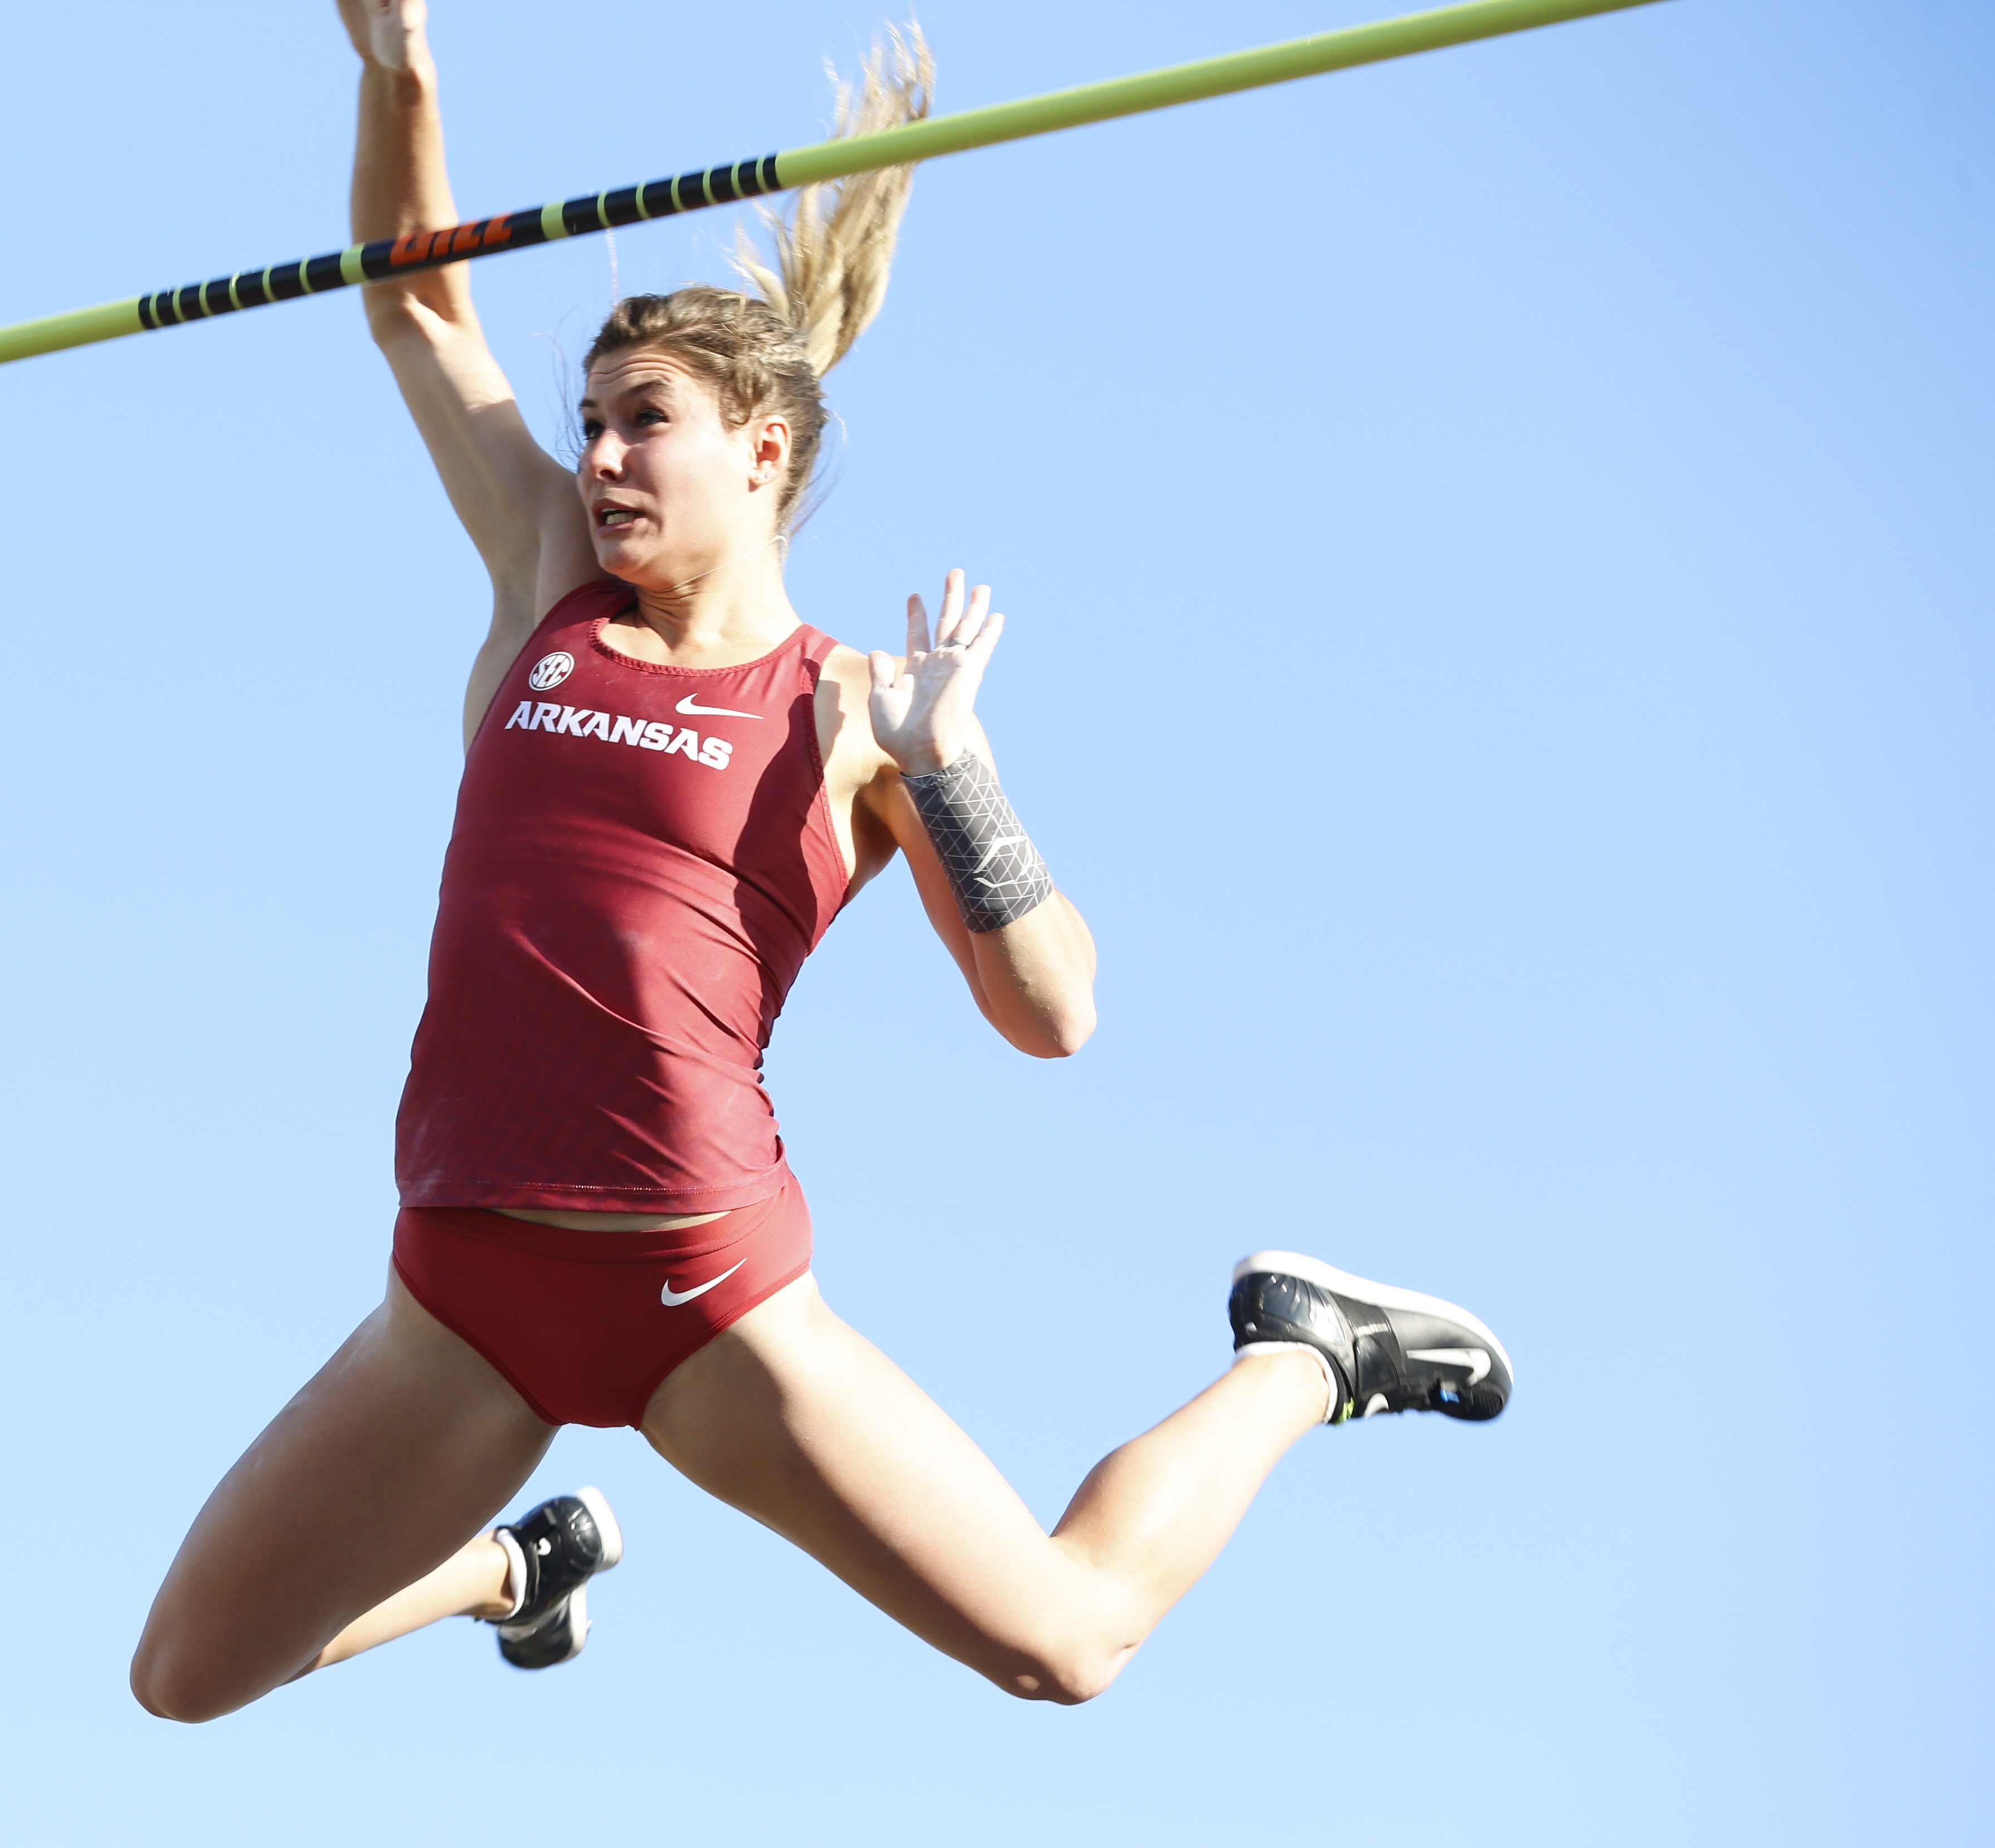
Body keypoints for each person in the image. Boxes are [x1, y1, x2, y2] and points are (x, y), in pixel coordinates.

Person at [128, 0, 1513, 1722]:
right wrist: (398, 64)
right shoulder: (551, 594)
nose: (600, 456)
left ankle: (1308, 1352)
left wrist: (954, 782)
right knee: (185, 1679)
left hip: (703, 1292)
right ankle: (518, 1569)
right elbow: (419, 301)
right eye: (588, 420)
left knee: (1067, 1641)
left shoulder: (862, 705)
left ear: (760, 451)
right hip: (462, 1296)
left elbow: (1056, 1011)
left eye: (645, 421)